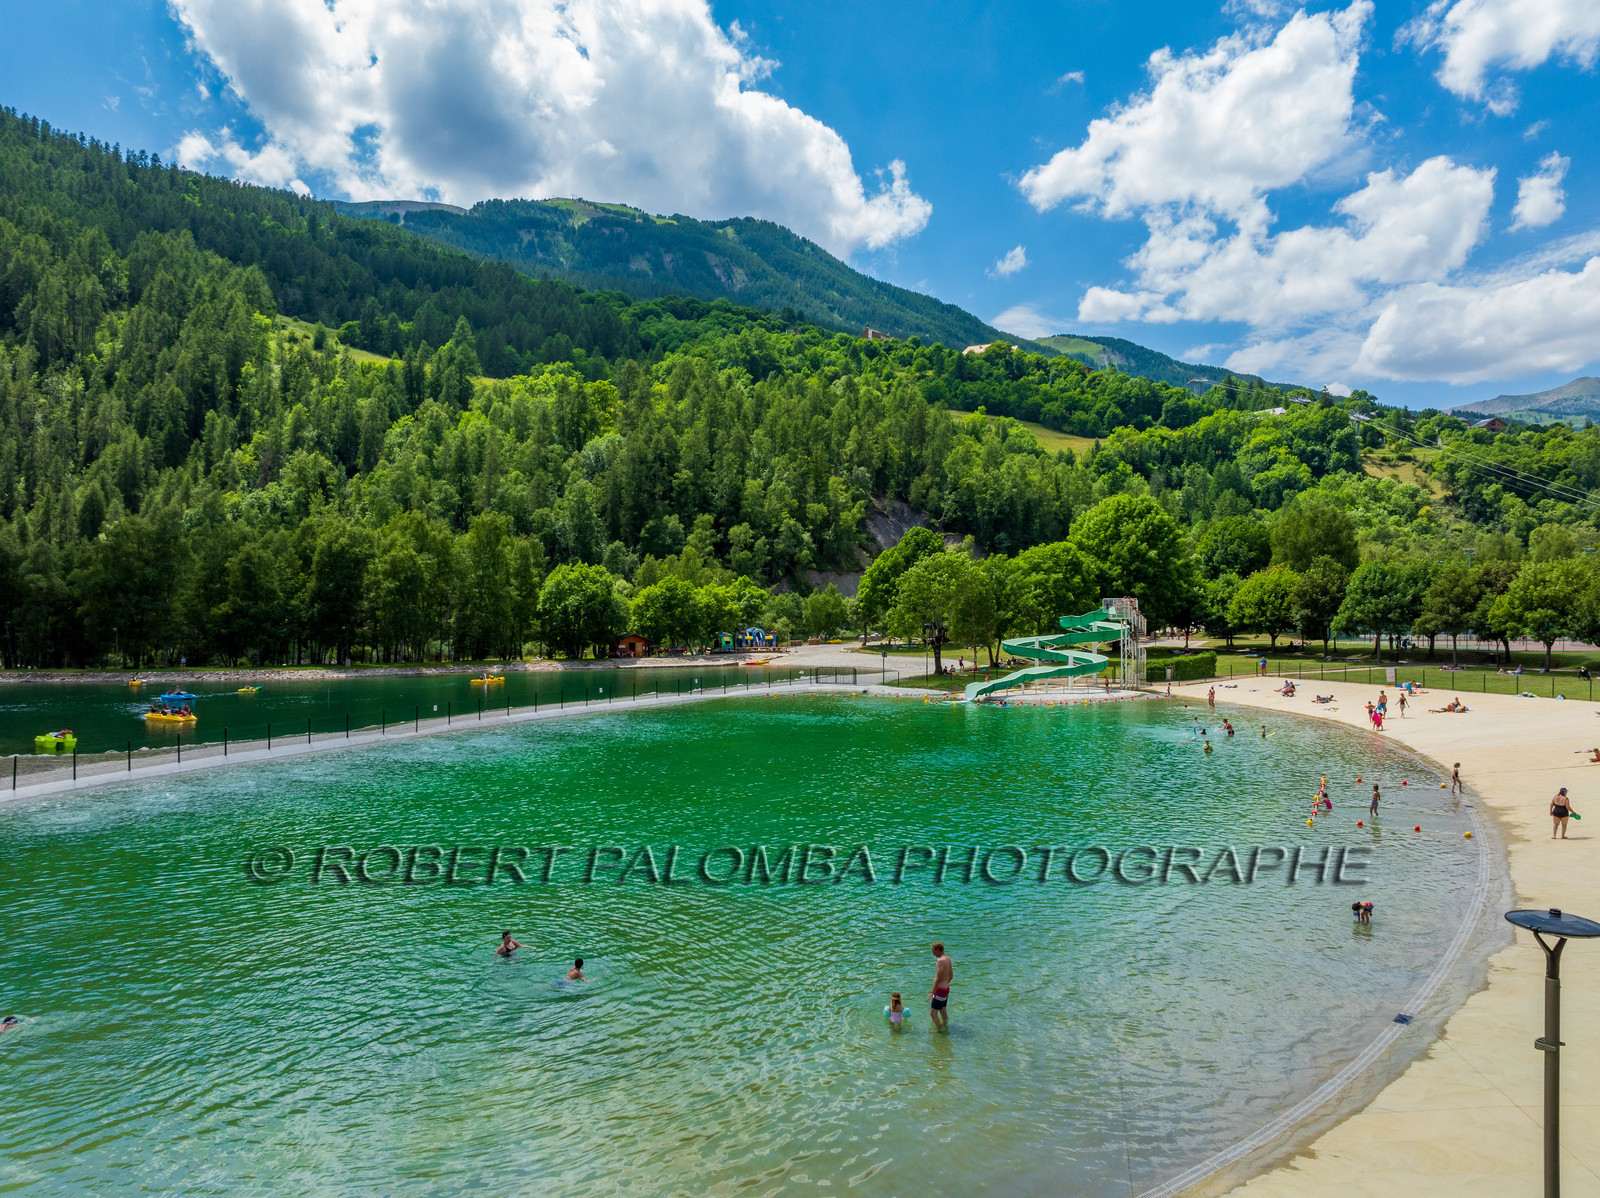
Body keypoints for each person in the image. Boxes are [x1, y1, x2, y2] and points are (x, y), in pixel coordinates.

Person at [929, 942, 953, 1029]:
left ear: (937, 950)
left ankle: (940, 1029)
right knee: (943, 1011)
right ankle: (946, 1026)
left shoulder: (940, 961)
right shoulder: (948, 959)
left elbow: (937, 978)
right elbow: (951, 976)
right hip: (946, 989)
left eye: (933, 951)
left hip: (939, 991)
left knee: (933, 1014)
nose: (933, 954)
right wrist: (945, 984)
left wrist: (932, 992)